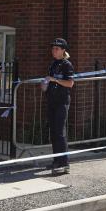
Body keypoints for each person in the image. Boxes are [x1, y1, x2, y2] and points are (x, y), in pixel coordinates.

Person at [44, 38, 75, 175]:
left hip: (62, 101)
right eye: (53, 48)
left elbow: (70, 83)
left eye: (57, 49)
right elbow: (48, 82)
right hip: (52, 100)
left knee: (60, 131)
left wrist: (55, 80)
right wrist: (44, 84)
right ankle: (56, 159)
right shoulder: (52, 64)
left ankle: (64, 163)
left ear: (63, 50)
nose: (54, 51)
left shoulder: (67, 65)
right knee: (53, 131)